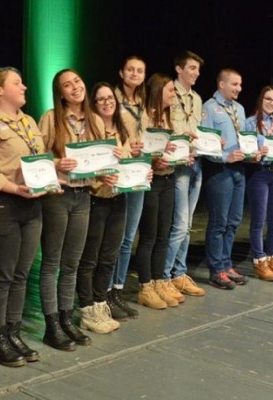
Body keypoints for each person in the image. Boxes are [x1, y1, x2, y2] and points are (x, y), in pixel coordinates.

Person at [0, 67, 46, 367]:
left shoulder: (28, 121)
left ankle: (13, 332)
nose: (24, 87)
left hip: (32, 206)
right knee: (1, 276)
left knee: (21, 274)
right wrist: (14, 187)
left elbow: (39, 159)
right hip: (2, 204)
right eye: (17, 83)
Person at [39, 69, 116, 337]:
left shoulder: (95, 120)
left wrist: (108, 169)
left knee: (72, 263)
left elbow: (96, 161)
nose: (75, 87)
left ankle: (67, 319)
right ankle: (51, 325)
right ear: (60, 93)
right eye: (67, 85)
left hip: (84, 196)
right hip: (58, 195)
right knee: (52, 262)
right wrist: (56, 163)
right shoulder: (51, 119)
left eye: (78, 81)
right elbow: (36, 158)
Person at [81, 82, 143, 322]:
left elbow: (129, 162)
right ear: (94, 104)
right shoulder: (90, 130)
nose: (107, 102)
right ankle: (87, 307)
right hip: (96, 199)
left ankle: (101, 301)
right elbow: (86, 164)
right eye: (101, 99)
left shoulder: (122, 128)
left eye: (110, 98)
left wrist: (140, 167)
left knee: (109, 256)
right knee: (90, 258)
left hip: (119, 198)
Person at [135, 73, 180, 309]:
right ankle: (145, 286)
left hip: (169, 180)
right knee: (149, 235)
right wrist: (154, 161)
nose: (173, 94)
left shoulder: (168, 117)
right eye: (170, 90)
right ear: (158, 91)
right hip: (151, 181)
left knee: (164, 234)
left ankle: (160, 280)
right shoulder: (144, 117)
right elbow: (141, 150)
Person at [201, 68, 249, 290]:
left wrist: (252, 151)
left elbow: (246, 138)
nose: (238, 88)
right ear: (222, 84)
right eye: (234, 84)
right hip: (219, 171)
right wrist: (224, 156)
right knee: (219, 222)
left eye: (240, 85)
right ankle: (216, 269)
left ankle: (227, 264)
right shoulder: (209, 109)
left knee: (234, 221)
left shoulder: (239, 109)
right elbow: (204, 145)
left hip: (239, 169)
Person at [164, 50, 206, 297]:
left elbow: (198, 130)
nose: (196, 73)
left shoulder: (197, 98)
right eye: (191, 68)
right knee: (179, 224)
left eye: (198, 69)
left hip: (196, 162)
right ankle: (166, 275)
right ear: (179, 69)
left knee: (188, 225)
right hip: (178, 164)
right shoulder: (169, 93)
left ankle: (180, 273)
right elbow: (165, 127)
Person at [244, 86, 273, 281]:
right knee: (258, 220)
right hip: (259, 174)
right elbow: (246, 152)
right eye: (268, 99)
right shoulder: (250, 123)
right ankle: (259, 261)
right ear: (261, 99)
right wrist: (255, 153)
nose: (272, 103)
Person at [113, 56, 148, 299]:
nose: (135, 74)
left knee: (128, 237)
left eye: (139, 70)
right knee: (115, 236)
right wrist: (126, 149)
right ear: (121, 72)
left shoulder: (144, 103)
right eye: (130, 70)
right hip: (118, 171)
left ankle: (118, 289)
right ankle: (104, 291)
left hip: (139, 171)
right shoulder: (111, 100)